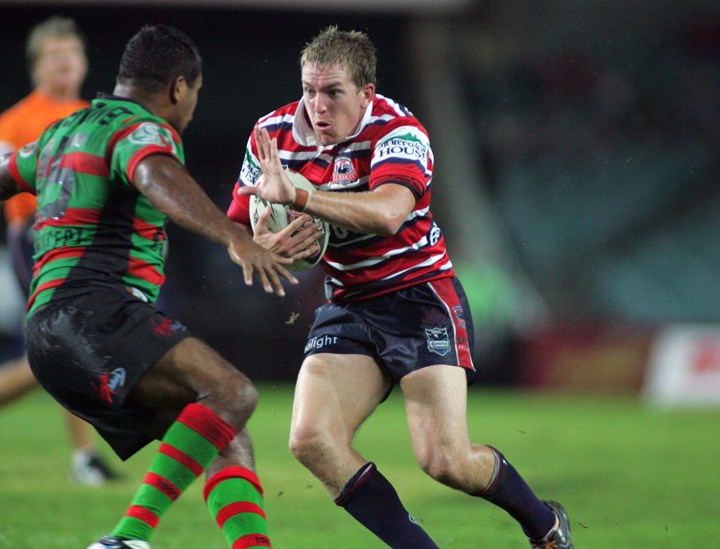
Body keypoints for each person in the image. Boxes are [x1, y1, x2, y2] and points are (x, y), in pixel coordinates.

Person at [0, 24, 296, 549]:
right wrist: (232, 236)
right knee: (232, 391)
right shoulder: (143, 132)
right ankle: (126, 538)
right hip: (96, 311)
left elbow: (4, 174)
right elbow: (154, 176)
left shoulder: (66, 129)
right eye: (194, 94)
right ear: (178, 88)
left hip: (46, 334)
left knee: (222, 430)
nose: (192, 108)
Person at [227, 27, 574, 549]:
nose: (317, 106)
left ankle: (544, 523)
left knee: (445, 462)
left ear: (366, 93)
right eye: (309, 90)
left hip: (419, 297)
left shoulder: (400, 130)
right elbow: (239, 227)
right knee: (311, 440)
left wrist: (300, 196)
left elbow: (389, 212)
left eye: (333, 92)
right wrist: (261, 244)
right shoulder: (271, 134)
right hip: (348, 303)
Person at [0, 16, 120, 485]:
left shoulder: (93, 116)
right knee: (64, 348)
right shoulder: (13, 122)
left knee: (55, 355)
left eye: (71, 54)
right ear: (36, 67)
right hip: (36, 243)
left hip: (85, 244)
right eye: (55, 56)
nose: (65, 64)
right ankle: (84, 459)